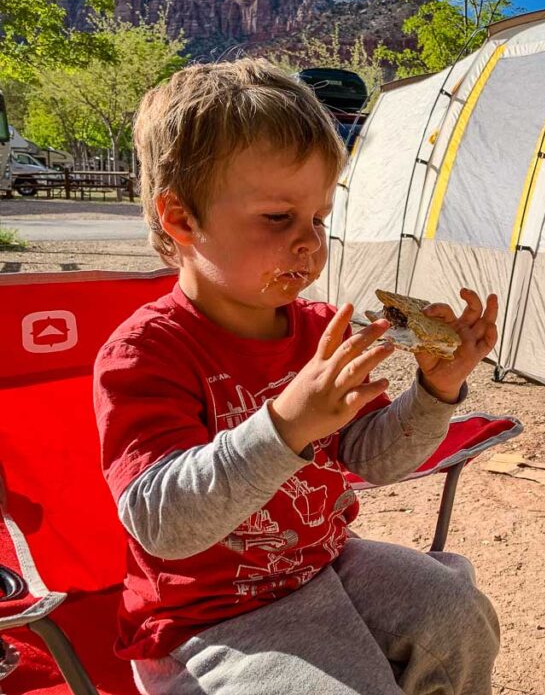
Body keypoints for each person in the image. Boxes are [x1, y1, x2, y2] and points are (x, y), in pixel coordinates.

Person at [94, 59, 501, 695]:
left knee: (457, 616)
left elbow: (373, 459)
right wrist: (285, 425)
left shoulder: (318, 329)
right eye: (279, 218)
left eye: (320, 218)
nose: (311, 243)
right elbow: (160, 524)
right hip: (205, 617)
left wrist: (435, 392)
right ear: (180, 219)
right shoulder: (148, 351)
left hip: (321, 563)